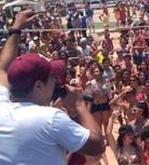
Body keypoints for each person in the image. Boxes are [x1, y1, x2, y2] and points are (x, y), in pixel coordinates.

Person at [0, 10, 104, 164]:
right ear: (38, 86)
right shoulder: (51, 118)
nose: (56, 81)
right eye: (52, 77)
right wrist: (79, 105)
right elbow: (97, 147)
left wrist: (16, 29)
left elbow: (3, 67)